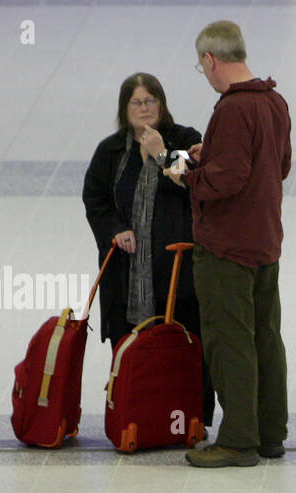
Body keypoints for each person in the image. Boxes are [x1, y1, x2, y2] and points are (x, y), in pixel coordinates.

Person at [165, 20, 291, 468]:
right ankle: (271, 433)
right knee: (265, 339)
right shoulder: (274, 102)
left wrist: (186, 174)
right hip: (265, 242)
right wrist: (212, 155)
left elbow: (228, 180)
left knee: (230, 341)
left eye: (203, 68)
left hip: (227, 249)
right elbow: (280, 165)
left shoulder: (232, 110)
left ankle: (238, 441)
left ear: (210, 59)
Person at [83, 72, 215, 427]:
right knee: (132, 347)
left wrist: (162, 153)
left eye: (150, 100)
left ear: (162, 103)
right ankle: (137, 419)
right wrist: (115, 229)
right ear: (125, 109)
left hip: (177, 271)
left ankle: (192, 419)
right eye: (136, 102)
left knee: (185, 345)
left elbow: (196, 185)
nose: (144, 108)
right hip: (128, 278)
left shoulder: (187, 140)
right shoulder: (111, 151)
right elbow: (94, 198)